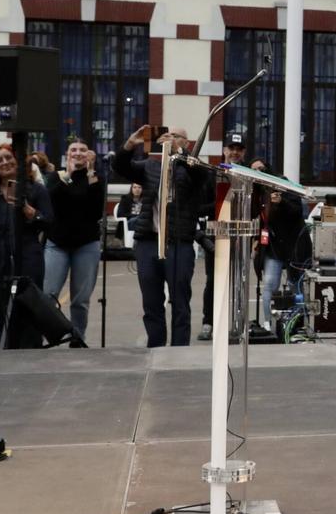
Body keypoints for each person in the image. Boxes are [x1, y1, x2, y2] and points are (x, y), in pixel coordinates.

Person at [111, 125, 213, 348]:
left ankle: (179, 352)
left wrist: (179, 153)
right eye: (169, 135)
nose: (171, 138)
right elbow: (119, 166)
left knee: (180, 302)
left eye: (177, 136)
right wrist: (131, 143)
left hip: (179, 243)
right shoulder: (149, 166)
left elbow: (203, 175)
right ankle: (155, 347)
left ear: (186, 142)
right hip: (148, 242)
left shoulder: (190, 166)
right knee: (151, 301)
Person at [0, 142, 52, 347]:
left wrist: (28, 211)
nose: (5, 162)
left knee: (28, 310)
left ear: (18, 161)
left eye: (9, 157)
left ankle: (30, 356)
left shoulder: (36, 190)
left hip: (28, 257)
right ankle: (2, 350)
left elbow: (49, 221)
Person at [44, 139, 106, 344]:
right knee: (49, 294)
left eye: (82, 150)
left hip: (86, 244)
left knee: (80, 299)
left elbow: (96, 209)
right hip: (58, 243)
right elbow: (54, 202)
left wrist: (89, 171)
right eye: (73, 150)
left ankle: (78, 337)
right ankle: (51, 335)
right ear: (66, 155)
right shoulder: (55, 177)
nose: (78, 153)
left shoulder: (95, 178)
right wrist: (69, 176)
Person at [198, 132, 247, 339]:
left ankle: (236, 325)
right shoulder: (212, 173)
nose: (234, 152)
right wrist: (225, 200)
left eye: (238, 149)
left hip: (241, 234)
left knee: (239, 280)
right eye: (231, 148)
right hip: (216, 232)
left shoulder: (247, 174)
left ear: (243, 152)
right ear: (224, 150)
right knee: (213, 281)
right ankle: (208, 323)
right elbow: (201, 206)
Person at [257, 188, 307, 324]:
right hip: (274, 246)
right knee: (269, 284)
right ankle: (268, 322)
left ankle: (298, 322)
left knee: (296, 285)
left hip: (294, 246)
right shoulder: (261, 194)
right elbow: (261, 219)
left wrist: (281, 202)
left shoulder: (291, 193)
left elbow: (297, 212)